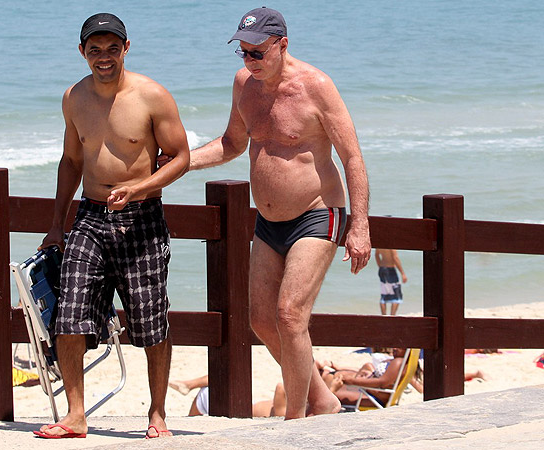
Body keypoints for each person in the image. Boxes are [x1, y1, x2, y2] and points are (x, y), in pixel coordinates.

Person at [159, 7, 370, 419]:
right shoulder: (244, 84)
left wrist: (359, 224)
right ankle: (323, 401)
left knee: (290, 314)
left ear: (282, 45)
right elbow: (232, 144)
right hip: (269, 222)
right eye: (243, 52)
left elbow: (352, 156)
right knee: (261, 320)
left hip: (317, 212)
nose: (249, 61)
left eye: (257, 52)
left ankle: (296, 421)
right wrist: (181, 164)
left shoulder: (316, 86)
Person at [35, 12, 190, 439]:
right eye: (94, 49)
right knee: (68, 315)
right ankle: (76, 415)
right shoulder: (73, 97)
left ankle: (157, 414)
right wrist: (56, 224)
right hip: (89, 216)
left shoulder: (152, 95)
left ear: (126, 48)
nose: (103, 57)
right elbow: (71, 161)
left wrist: (141, 187)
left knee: (150, 320)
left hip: (141, 220)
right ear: (82, 52)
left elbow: (181, 157)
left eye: (112, 48)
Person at [375, 248, 407, 315]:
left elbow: (376, 255)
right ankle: (392, 316)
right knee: (396, 295)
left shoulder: (380, 244)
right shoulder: (391, 244)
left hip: (382, 269)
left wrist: (380, 266)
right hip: (390, 270)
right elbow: (395, 258)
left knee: (384, 294)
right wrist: (403, 273)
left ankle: (384, 316)